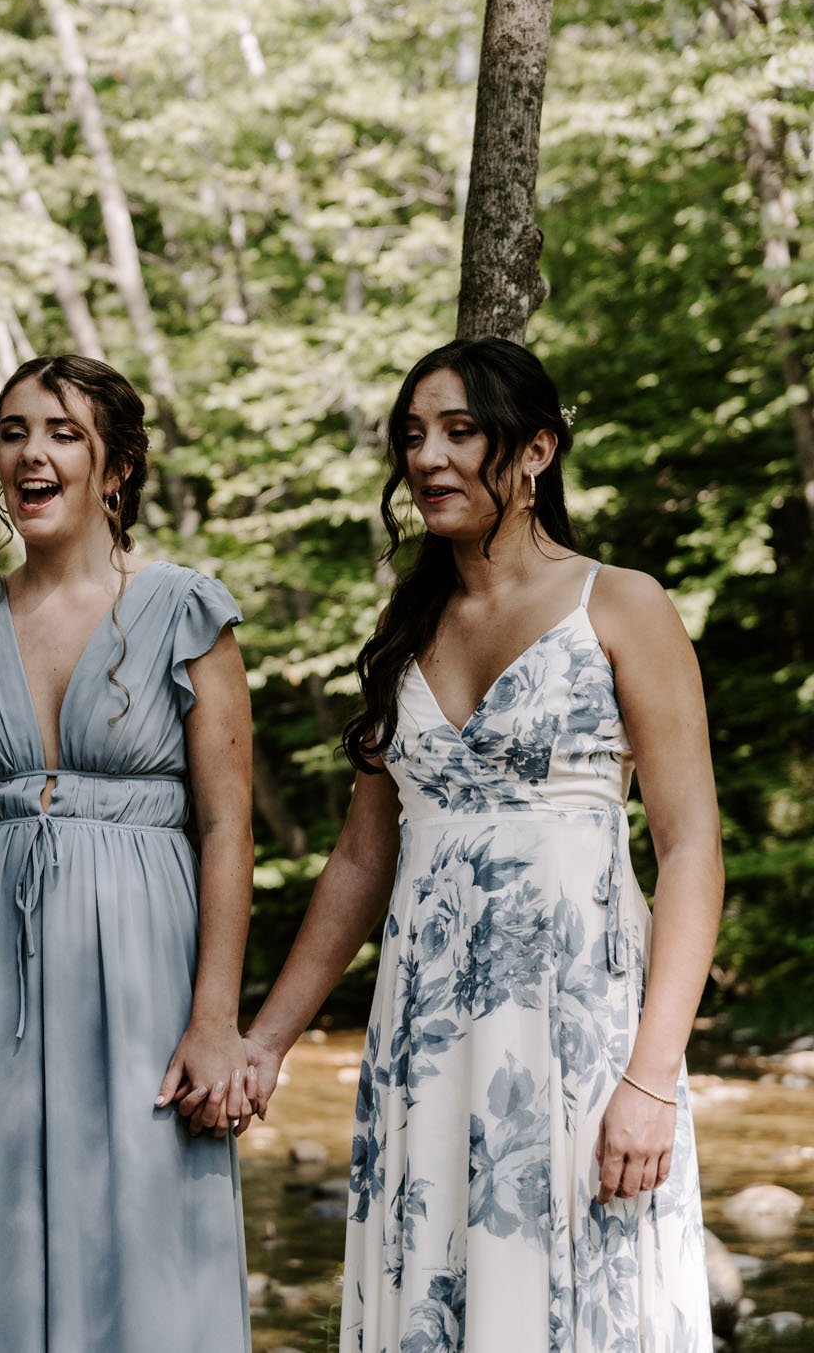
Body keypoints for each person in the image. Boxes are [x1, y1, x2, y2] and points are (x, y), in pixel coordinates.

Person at [242, 338, 717, 1350]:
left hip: (578, 1035)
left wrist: (648, 1078)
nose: (427, 458)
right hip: (424, 1038)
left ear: (536, 449)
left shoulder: (619, 604)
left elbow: (689, 851)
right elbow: (360, 860)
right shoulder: (408, 625)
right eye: (413, 435)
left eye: (460, 432)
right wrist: (266, 1043)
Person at [0, 354, 256, 1352]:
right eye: (12, 432)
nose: (30, 454)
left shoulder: (186, 612)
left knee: (142, 1232)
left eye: (62, 433)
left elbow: (225, 826)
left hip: (143, 965)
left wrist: (215, 1020)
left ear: (115, 468)